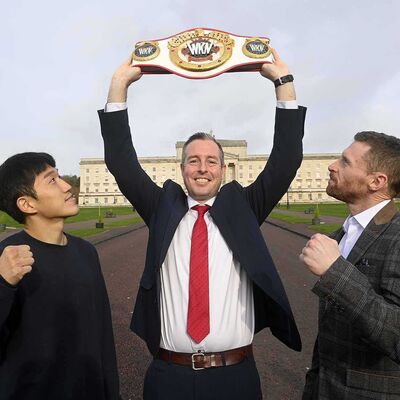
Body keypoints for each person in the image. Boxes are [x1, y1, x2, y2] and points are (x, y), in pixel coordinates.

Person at [99, 48, 306, 400]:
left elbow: (285, 160)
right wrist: (119, 86)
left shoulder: (244, 208)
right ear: (182, 170)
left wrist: (283, 83)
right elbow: (121, 162)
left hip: (235, 375)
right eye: (193, 160)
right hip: (169, 374)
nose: (202, 168)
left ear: (223, 170)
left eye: (212, 161)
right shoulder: (161, 208)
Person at [0, 152, 120, 400]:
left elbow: (102, 334)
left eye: (60, 176)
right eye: (52, 180)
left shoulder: (87, 252)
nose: (67, 186)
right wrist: (2, 284)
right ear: (27, 204)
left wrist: (112, 392)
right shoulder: (6, 258)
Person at [300, 132, 400, 398]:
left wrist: (335, 271)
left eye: (345, 162)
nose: (332, 166)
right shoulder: (341, 235)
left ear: (377, 181)